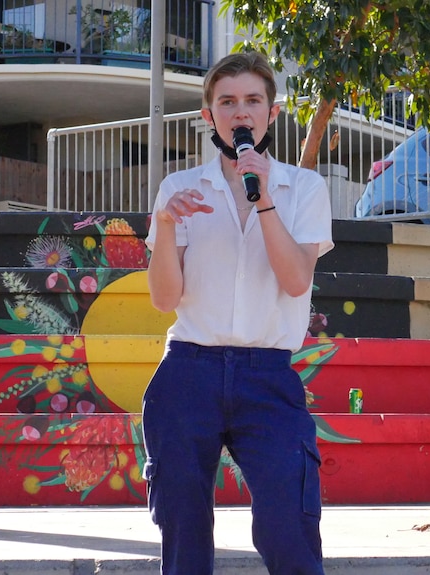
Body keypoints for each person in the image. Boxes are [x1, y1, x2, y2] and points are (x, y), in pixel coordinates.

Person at [141, 51, 333, 575]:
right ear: (209, 116)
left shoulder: (304, 189)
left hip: (266, 376)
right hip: (188, 372)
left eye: (252, 100)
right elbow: (164, 299)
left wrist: (264, 197)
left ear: (272, 114)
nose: (240, 112)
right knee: (183, 530)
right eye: (227, 102)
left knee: (287, 525)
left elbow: (295, 280)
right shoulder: (179, 191)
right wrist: (162, 226)